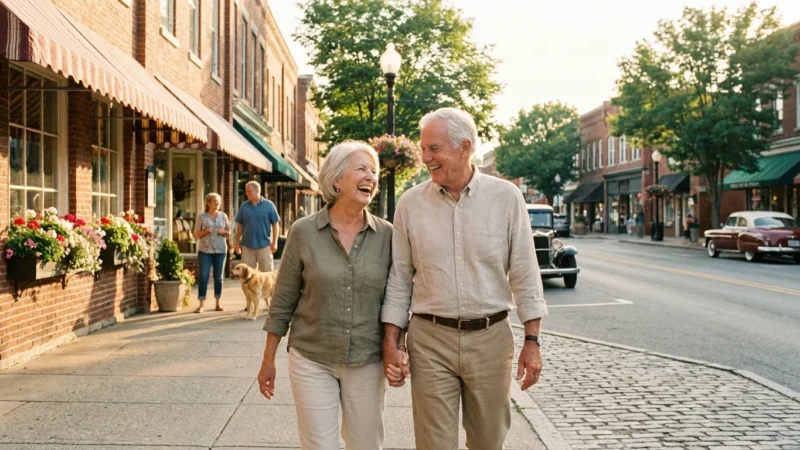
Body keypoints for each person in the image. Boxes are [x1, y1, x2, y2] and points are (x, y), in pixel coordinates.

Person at [381, 108, 548, 450]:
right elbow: (399, 278)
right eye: (423, 148)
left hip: (490, 339)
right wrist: (392, 342)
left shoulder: (506, 198)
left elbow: (525, 273)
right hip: (430, 340)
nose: (425, 158)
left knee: (488, 441)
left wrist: (533, 342)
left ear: (465, 147)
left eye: (434, 149)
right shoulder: (410, 204)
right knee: (433, 445)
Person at [257, 141, 398, 450]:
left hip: (367, 358)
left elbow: (397, 298)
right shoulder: (304, 231)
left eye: (373, 172)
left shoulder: (388, 235)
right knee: (319, 445)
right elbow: (283, 299)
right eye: (361, 169)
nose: (371, 177)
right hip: (312, 357)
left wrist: (397, 348)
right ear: (336, 180)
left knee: (366, 444)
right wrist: (268, 359)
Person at [192, 193, 231, 313]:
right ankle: (201, 304)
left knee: (218, 277)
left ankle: (218, 303)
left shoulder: (223, 216)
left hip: (220, 250)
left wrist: (222, 231)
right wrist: (205, 231)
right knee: (203, 277)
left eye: (218, 201)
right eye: (214, 201)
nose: (217, 203)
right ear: (208, 203)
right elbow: (195, 234)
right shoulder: (202, 217)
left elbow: (229, 233)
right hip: (205, 251)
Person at [234, 181, 279, 271]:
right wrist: (237, 243)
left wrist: (275, 242)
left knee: (267, 275)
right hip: (247, 246)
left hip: (265, 245)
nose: (247, 193)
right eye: (246, 191)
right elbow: (239, 225)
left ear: (257, 190)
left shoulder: (269, 205)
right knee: (247, 277)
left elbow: (275, 224)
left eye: (249, 191)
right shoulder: (244, 206)